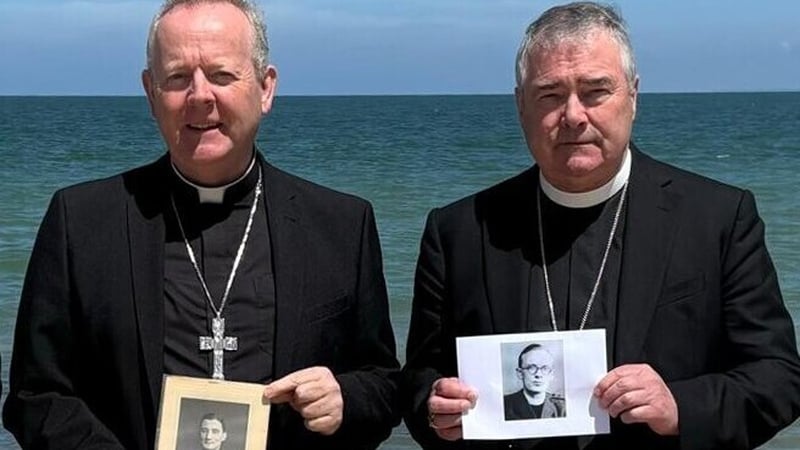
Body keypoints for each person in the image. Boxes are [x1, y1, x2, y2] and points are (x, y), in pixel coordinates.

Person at [3, 1, 400, 449]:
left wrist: (345, 399)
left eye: (222, 75)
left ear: (266, 88)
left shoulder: (341, 225)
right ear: (151, 92)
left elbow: (384, 384)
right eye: (176, 78)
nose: (199, 96)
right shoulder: (81, 221)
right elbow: (35, 395)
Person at [403, 2, 800, 449]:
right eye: (550, 95)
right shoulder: (458, 231)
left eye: (595, 91)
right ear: (520, 105)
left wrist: (680, 407)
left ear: (633, 95)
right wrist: (435, 407)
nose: (573, 115)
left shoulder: (718, 218)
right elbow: (419, 380)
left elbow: (778, 378)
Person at [503, 344, 565, 421]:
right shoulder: (504, 405)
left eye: (545, 368)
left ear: (551, 375)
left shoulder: (562, 408)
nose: (538, 374)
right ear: (520, 373)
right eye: (531, 368)